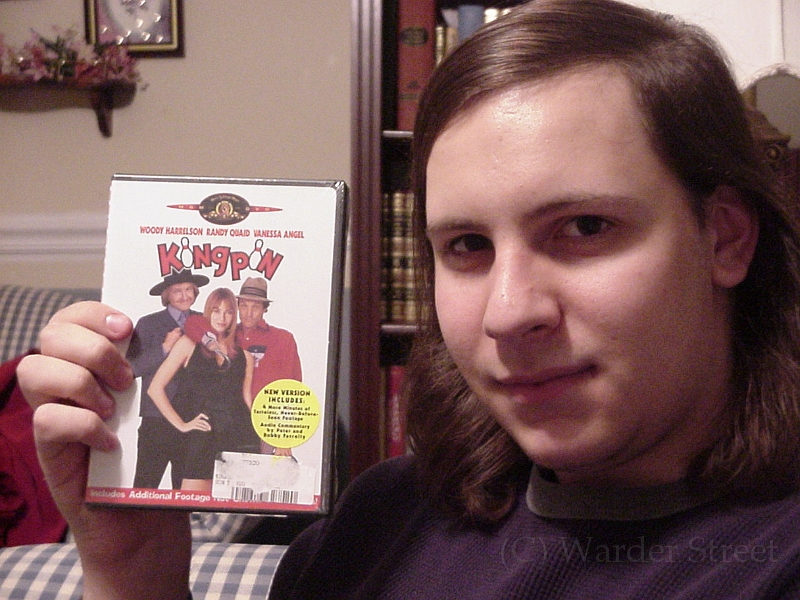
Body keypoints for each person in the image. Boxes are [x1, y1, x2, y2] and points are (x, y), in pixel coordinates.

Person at [15, 0, 800, 597]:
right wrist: (135, 574)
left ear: (726, 238)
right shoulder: (378, 522)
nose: (507, 312)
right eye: (467, 246)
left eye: (585, 227)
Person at [149, 287, 261, 492]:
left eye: (228, 312)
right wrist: (181, 424)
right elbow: (155, 388)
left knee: (236, 506)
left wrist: (269, 436)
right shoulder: (188, 344)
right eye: (217, 310)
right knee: (192, 504)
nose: (222, 317)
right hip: (202, 437)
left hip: (241, 437)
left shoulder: (245, 357)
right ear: (208, 312)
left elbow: (247, 400)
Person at [127, 268, 209, 490]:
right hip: (157, 419)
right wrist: (165, 348)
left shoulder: (206, 322)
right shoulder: (148, 324)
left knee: (187, 492)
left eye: (188, 289)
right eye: (177, 291)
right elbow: (132, 368)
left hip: (194, 419)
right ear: (166, 296)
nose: (184, 296)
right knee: (145, 488)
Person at [235, 277, 302, 456]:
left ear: (265, 309)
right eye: (244, 306)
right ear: (237, 306)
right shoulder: (226, 336)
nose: (248, 313)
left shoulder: (283, 339)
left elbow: (292, 390)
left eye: (255, 307)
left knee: (264, 472)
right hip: (229, 423)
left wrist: (284, 438)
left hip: (266, 422)